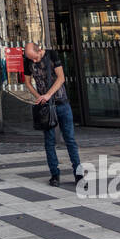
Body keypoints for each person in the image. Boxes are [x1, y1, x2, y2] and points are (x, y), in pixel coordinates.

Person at [22, 40, 82, 186]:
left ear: (39, 50)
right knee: (49, 142)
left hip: (62, 103)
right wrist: (39, 97)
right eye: (31, 58)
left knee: (70, 140)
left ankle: (78, 174)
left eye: (35, 57)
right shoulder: (28, 61)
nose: (34, 61)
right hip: (45, 107)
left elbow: (61, 78)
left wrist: (48, 94)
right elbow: (28, 82)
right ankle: (54, 175)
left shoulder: (52, 55)